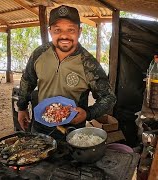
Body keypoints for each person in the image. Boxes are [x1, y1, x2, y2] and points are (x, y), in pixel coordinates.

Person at [17, 5, 116, 139]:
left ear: (79, 31)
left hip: (72, 131)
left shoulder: (88, 63)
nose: (64, 36)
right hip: (40, 125)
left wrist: (88, 113)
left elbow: (109, 98)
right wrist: (22, 107)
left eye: (71, 30)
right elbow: (27, 80)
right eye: (58, 30)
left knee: (69, 159)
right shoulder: (39, 54)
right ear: (50, 31)